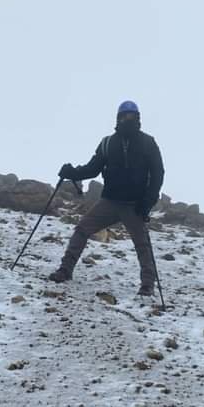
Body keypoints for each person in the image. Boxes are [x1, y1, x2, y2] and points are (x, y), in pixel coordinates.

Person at [49, 100, 165, 296]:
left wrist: (147, 203)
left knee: (142, 244)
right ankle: (65, 270)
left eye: (132, 116)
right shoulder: (108, 143)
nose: (129, 119)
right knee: (82, 229)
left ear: (138, 118)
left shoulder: (148, 142)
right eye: (125, 116)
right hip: (110, 201)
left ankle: (147, 285)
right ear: (118, 118)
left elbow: (158, 174)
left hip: (134, 205)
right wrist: (72, 173)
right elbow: (93, 168)